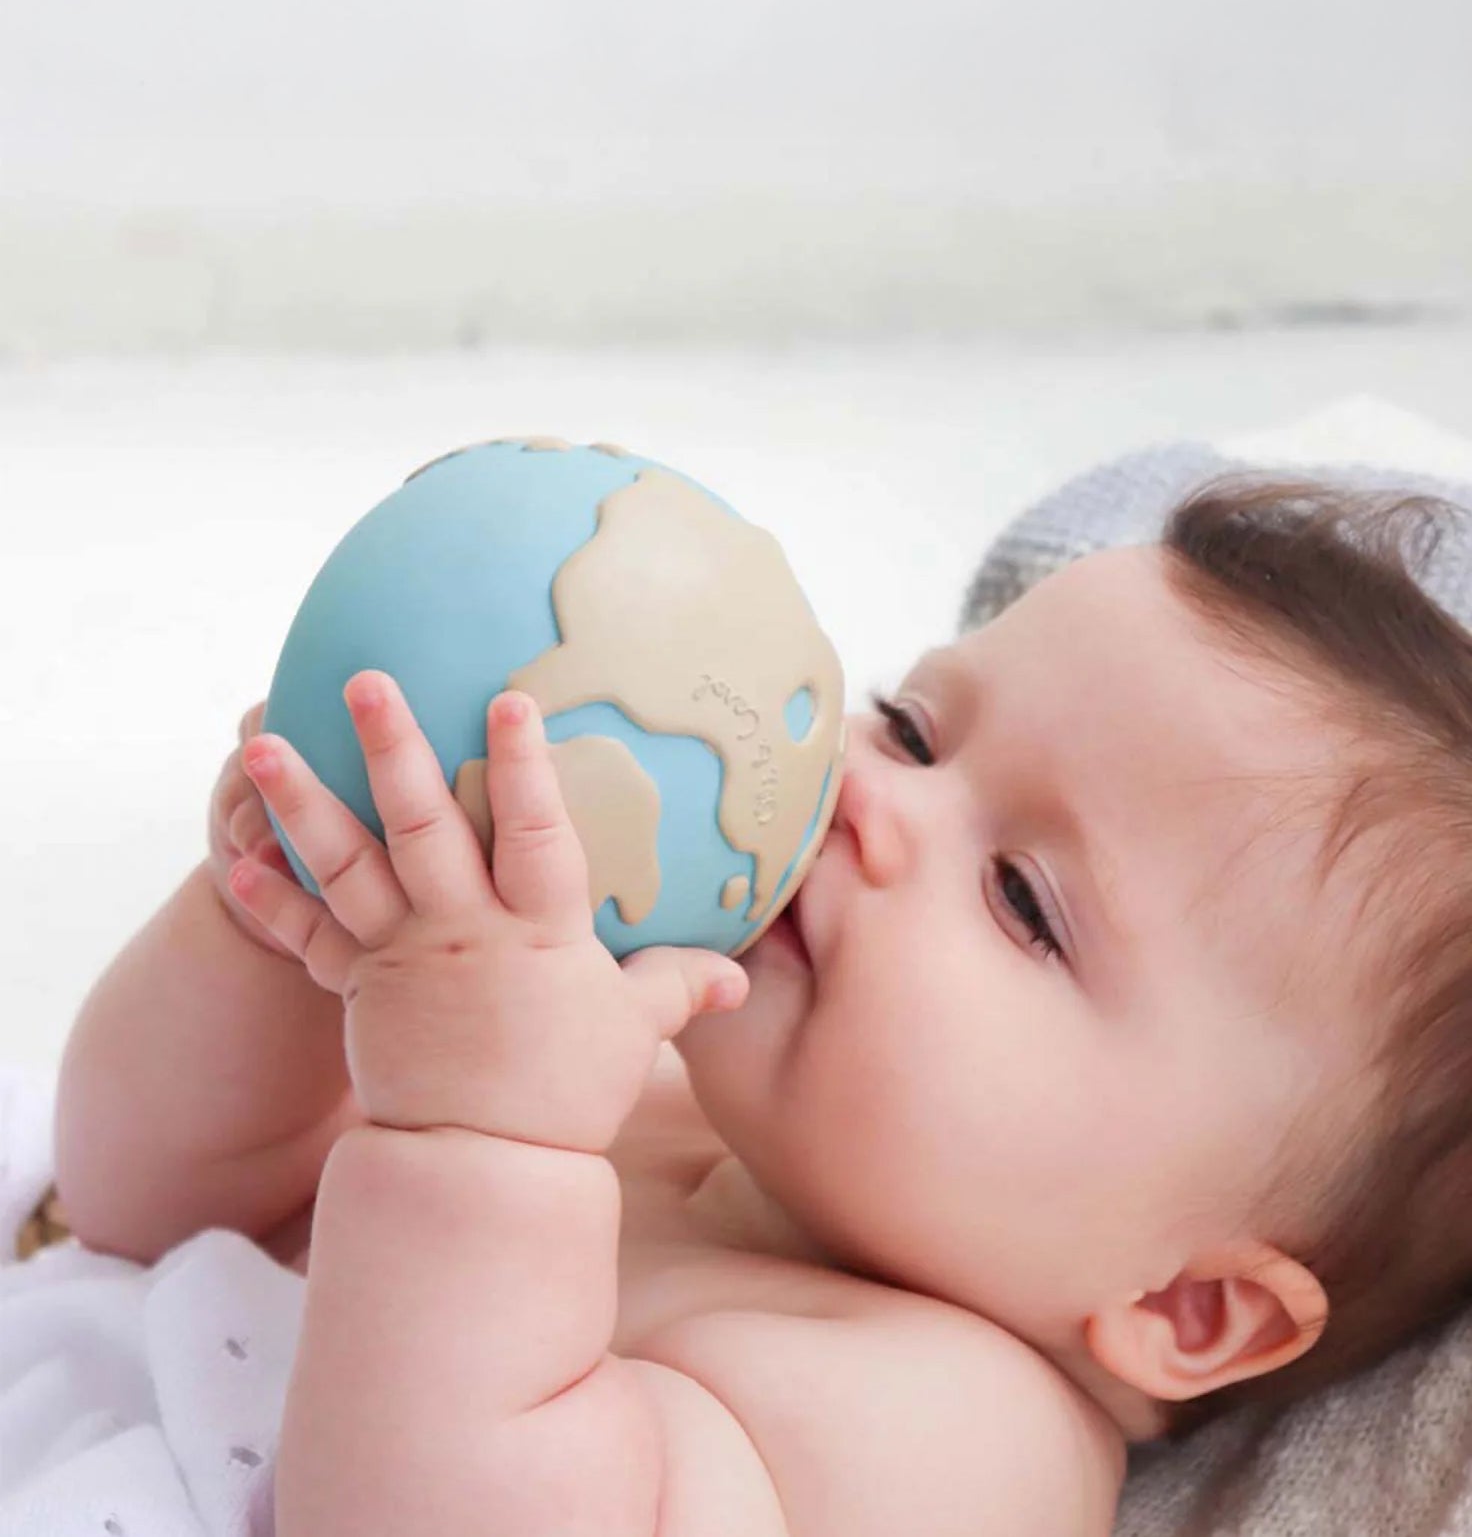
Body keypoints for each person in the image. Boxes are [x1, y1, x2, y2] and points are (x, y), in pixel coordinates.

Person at [43, 462, 1472, 1535]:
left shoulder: (955, 1438)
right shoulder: (644, 1080)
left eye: (1022, 900)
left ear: (1191, 1304)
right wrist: (278, 930)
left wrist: (475, 1145)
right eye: (914, 727)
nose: (861, 799)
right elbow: (140, 1207)